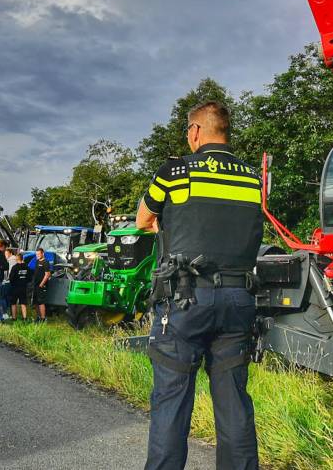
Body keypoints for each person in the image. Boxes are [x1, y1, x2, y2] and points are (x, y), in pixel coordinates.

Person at [137, 100, 264, 470]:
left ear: (194, 132)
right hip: (239, 300)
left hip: (185, 300)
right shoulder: (251, 178)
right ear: (225, 130)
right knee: (233, 402)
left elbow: (144, 219)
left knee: (171, 401)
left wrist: (173, 228)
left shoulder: (175, 171)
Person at [7, 252, 31, 321]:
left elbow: (11, 278)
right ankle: (25, 318)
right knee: (23, 302)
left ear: (17, 259)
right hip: (23, 287)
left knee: (13, 302)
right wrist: (25, 281)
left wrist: (13, 283)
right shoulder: (27, 267)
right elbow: (30, 278)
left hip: (15, 287)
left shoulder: (14, 267)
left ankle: (14, 318)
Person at [31, 247, 52, 322]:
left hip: (41, 285)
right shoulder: (37, 261)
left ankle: (43, 318)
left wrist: (41, 284)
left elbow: (47, 274)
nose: (38, 255)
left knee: (41, 302)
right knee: (36, 302)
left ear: (42, 253)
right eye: (36, 254)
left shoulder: (46, 262)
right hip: (35, 285)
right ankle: (38, 317)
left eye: (39, 254)